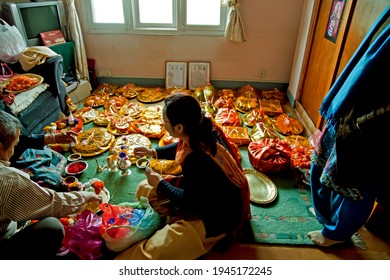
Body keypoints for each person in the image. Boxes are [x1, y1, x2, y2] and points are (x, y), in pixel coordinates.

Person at [115, 92, 251, 260]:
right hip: (205, 193)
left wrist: (159, 183)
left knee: (152, 252)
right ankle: (164, 220)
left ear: (179, 127)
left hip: (217, 217)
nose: (162, 123)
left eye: (164, 121)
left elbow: (190, 201)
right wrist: (154, 152)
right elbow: (182, 145)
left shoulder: (197, 160)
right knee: (144, 188)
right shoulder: (202, 127)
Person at [308, 7, 390, 247]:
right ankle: (326, 216)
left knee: (354, 184)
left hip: (371, 127)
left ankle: (335, 234)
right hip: (349, 110)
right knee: (323, 166)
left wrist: (361, 124)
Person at [0, 110, 102, 259]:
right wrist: (86, 196)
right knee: (52, 226)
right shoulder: (8, 180)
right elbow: (54, 203)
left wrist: (51, 138)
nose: (14, 150)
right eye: (14, 146)